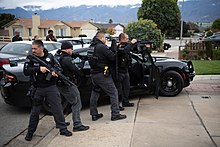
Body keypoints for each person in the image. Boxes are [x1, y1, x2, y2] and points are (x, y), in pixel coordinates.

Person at [23, 40, 72, 141]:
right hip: (38, 88)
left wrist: (55, 72)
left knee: (57, 108)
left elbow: (58, 67)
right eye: (32, 48)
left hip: (51, 87)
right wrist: (38, 69)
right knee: (35, 112)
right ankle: (30, 132)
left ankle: (62, 128)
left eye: (35, 48)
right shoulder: (31, 58)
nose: (33, 50)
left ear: (41, 48)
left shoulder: (50, 56)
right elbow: (26, 71)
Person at [89, 32, 126, 121]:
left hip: (94, 74)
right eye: (105, 38)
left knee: (95, 93)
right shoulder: (101, 47)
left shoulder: (92, 46)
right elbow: (113, 57)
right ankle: (115, 114)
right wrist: (114, 47)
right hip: (102, 74)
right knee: (113, 93)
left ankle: (94, 114)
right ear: (101, 38)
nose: (105, 40)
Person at [56, 41, 89, 132]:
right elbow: (78, 71)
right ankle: (77, 124)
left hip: (60, 84)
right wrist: (82, 62)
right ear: (67, 49)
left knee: (62, 104)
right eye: (71, 49)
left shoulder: (59, 56)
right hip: (68, 83)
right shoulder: (67, 59)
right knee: (77, 103)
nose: (72, 50)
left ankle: (60, 122)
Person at [114, 33, 137, 109]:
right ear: (123, 39)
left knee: (126, 87)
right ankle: (117, 105)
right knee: (119, 89)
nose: (128, 40)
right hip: (119, 71)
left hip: (125, 70)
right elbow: (124, 51)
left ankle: (125, 102)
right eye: (127, 39)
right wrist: (131, 43)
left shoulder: (127, 46)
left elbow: (132, 49)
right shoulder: (118, 46)